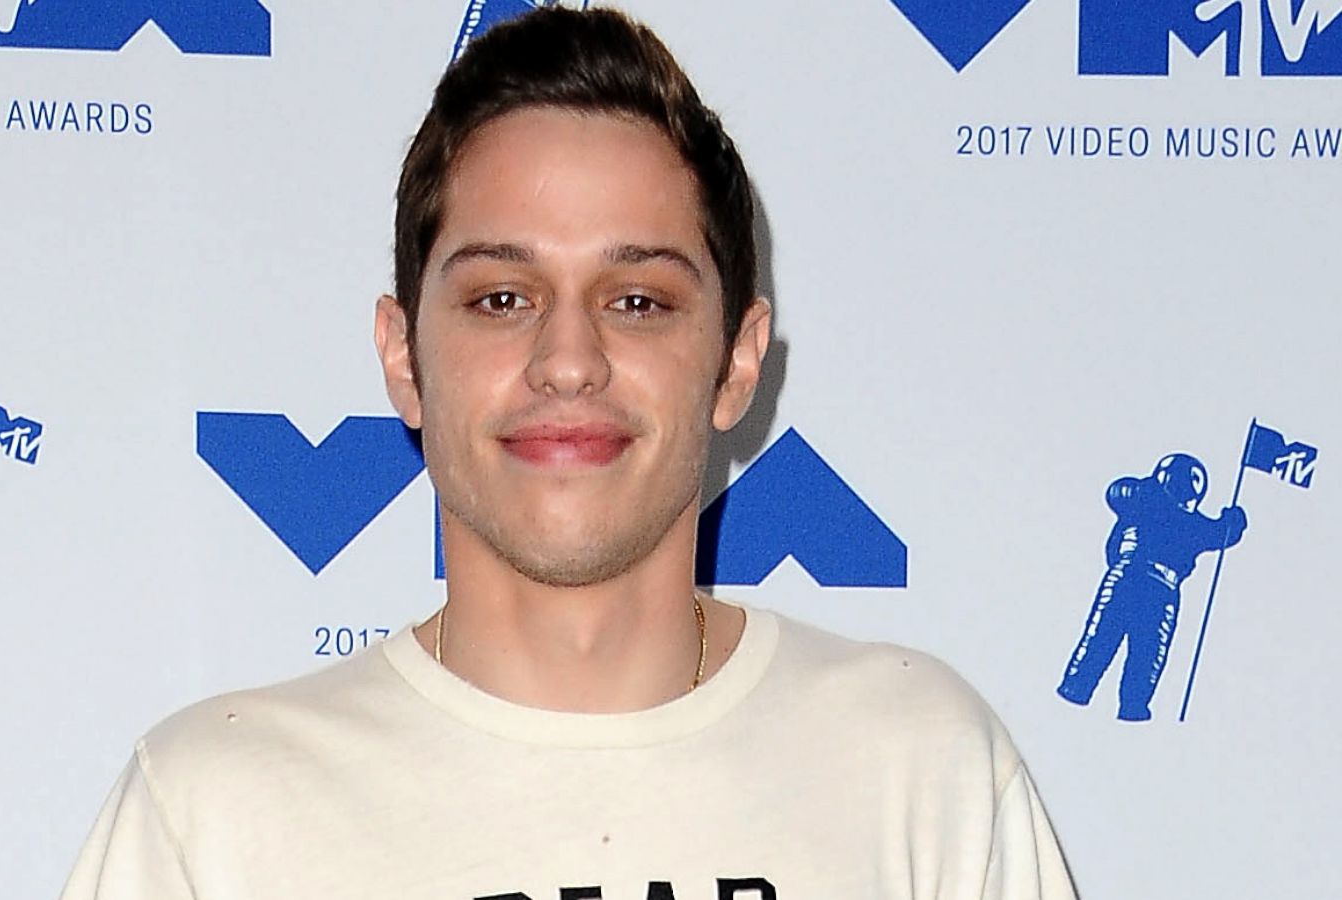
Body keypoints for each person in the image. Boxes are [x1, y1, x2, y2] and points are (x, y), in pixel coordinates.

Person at [60, 9, 1078, 898]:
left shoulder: (918, 769)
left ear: (736, 362)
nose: (567, 360)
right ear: (402, 356)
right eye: (501, 297)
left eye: (637, 301)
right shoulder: (214, 815)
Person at [1057, 453, 1247, 721]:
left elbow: (1118, 493)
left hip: (1134, 578)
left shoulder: (1145, 502)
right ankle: (1120, 703)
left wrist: (1232, 523)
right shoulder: (1155, 505)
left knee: (1112, 642)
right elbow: (1221, 533)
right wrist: (1233, 521)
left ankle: (1084, 691)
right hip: (1151, 584)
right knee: (1141, 652)